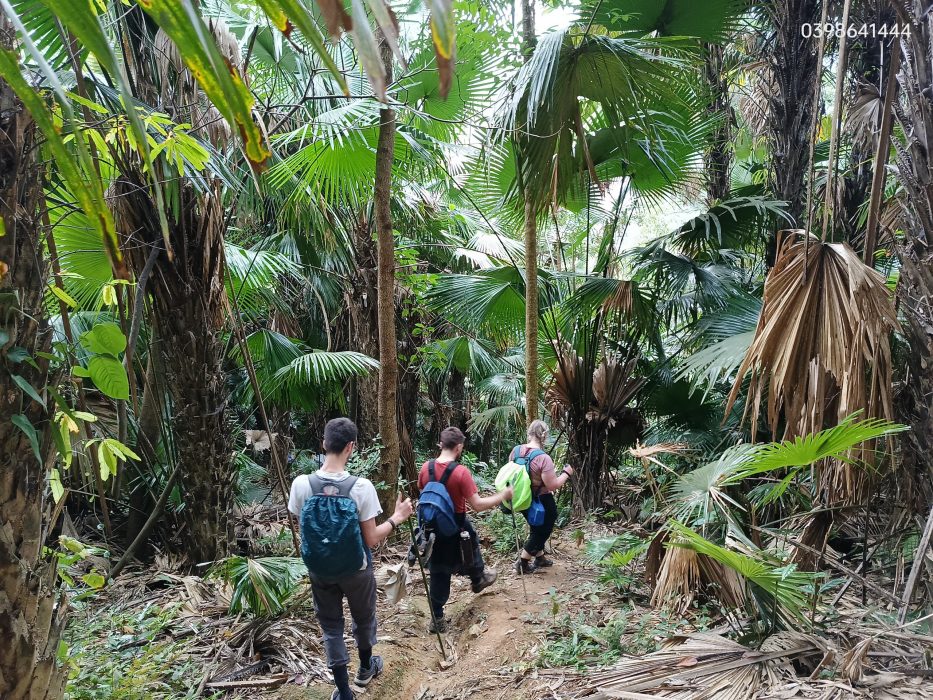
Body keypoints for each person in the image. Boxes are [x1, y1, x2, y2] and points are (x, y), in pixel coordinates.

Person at [288, 418, 413, 700]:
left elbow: (303, 528)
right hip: (356, 569)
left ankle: (344, 692)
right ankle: (366, 667)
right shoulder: (361, 487)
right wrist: (397, 517)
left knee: (331, 627)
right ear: (351, 447)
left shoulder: (301, 484)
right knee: (364, 617)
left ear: (324, 443)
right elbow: (371, 539)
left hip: (320, 569)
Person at [417, 426, 513, 632]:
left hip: (431, 528)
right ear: (459, 447)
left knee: (438, 570)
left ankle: (437, 618)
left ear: (441, 444)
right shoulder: (460, 472)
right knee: (470, 543)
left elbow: (422, 490)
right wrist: (503, 496)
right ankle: (478, 578)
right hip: (455, 525)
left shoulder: (426, 468)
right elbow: (477, 505)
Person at [512, 419, 573, 574]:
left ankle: (539, 558)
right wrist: (566, 473)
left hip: (521, 498)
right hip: (541, 499)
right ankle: (523, 562)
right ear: (544, 436)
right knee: (543, 530)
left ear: (529, 433)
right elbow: (552, 485)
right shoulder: (543, 458)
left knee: (535, 526)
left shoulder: (516, 451)